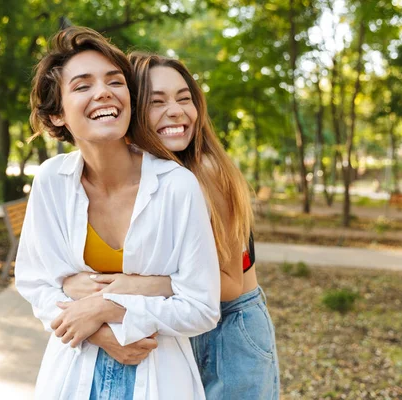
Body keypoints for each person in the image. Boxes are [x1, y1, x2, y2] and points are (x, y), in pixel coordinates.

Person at [15, 27, 221, 400]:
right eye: (82, 86)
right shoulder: (52, 181)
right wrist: (98, 331)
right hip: (73, 371)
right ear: (58, 114)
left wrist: (106, 305)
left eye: (115, 81)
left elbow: (201, 308)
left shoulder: (177, 186)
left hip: (159, 372)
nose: (104, 92)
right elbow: (34, 282)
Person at [63, 53, 280, 399]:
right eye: (157, 102)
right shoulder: (148, 178)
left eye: (184, 98)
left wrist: (140, 286)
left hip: (228, 329)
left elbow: (228, 284)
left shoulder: (205, 172)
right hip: (175, 328)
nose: (177, 111)